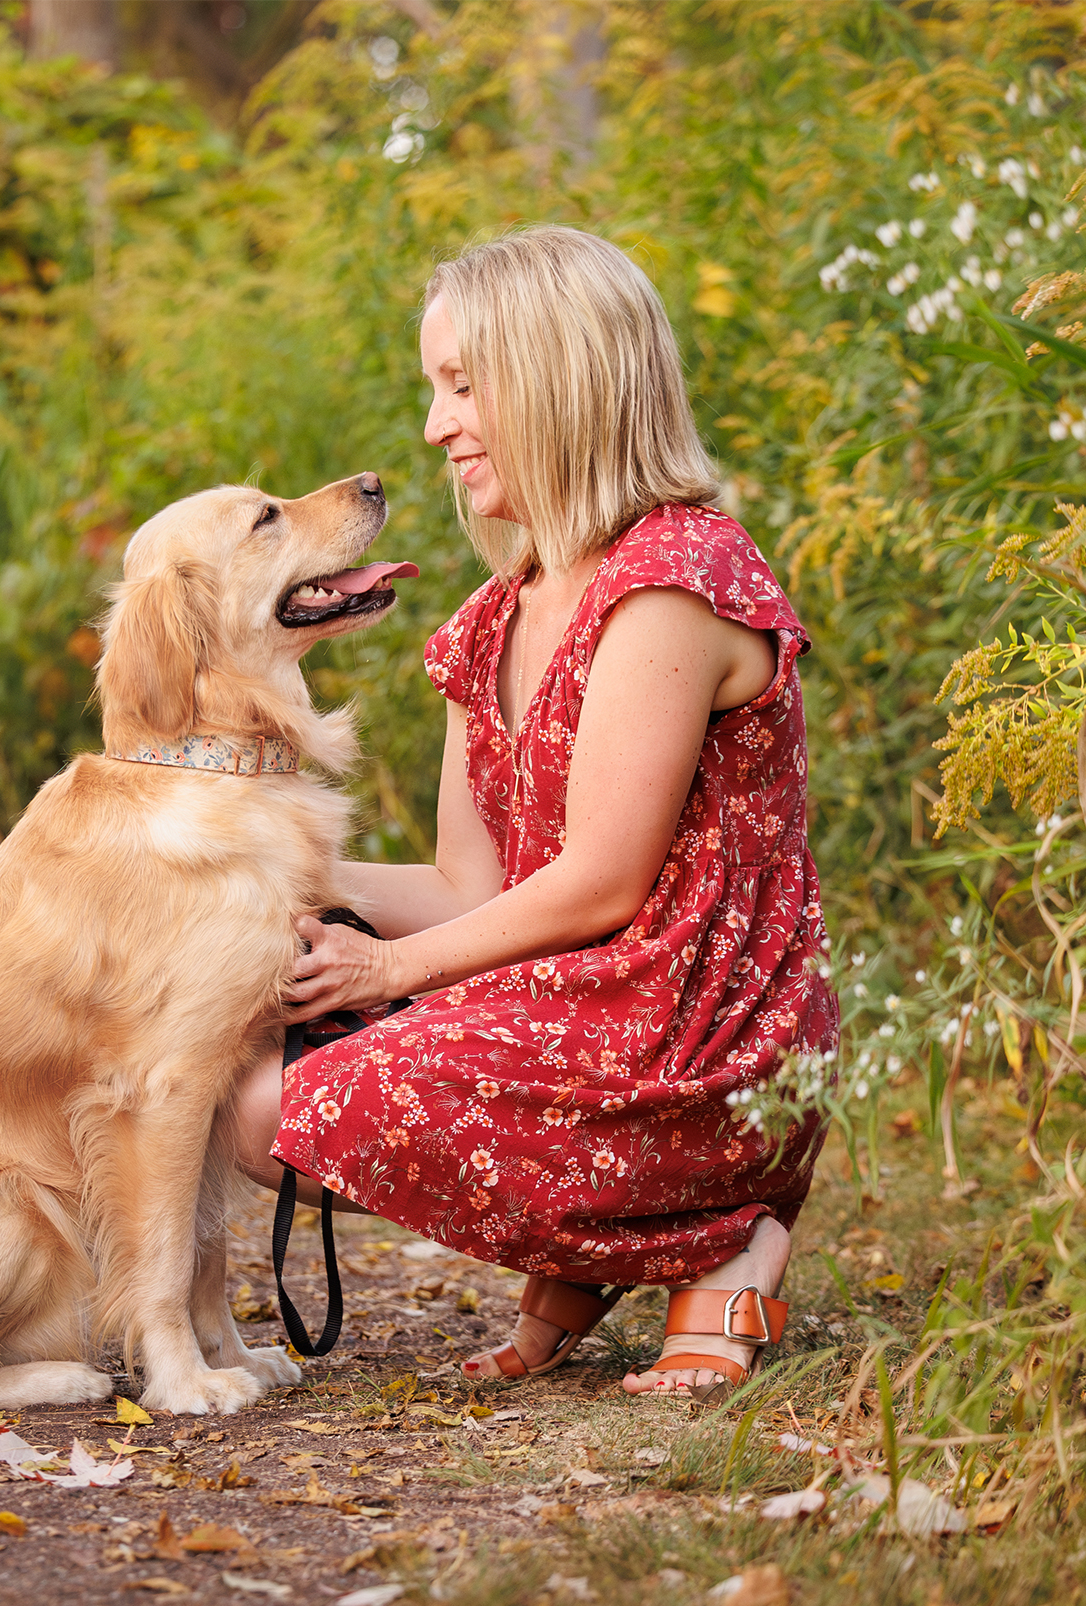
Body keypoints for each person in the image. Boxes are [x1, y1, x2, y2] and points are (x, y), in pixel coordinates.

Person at [224, 225, 836, 1397]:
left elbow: (601, 880)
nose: (434, 425)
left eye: (462, 386)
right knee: (229, 1059)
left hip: (696, 1028)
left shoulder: (671, 581)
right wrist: (257, 874)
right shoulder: (495, 618)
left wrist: (378, 976)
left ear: (563, 381)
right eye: (432, 388)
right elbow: (473, 892)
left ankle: (719, 1229)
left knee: (272, 1106)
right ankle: (598, 1240)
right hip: (573, 996)